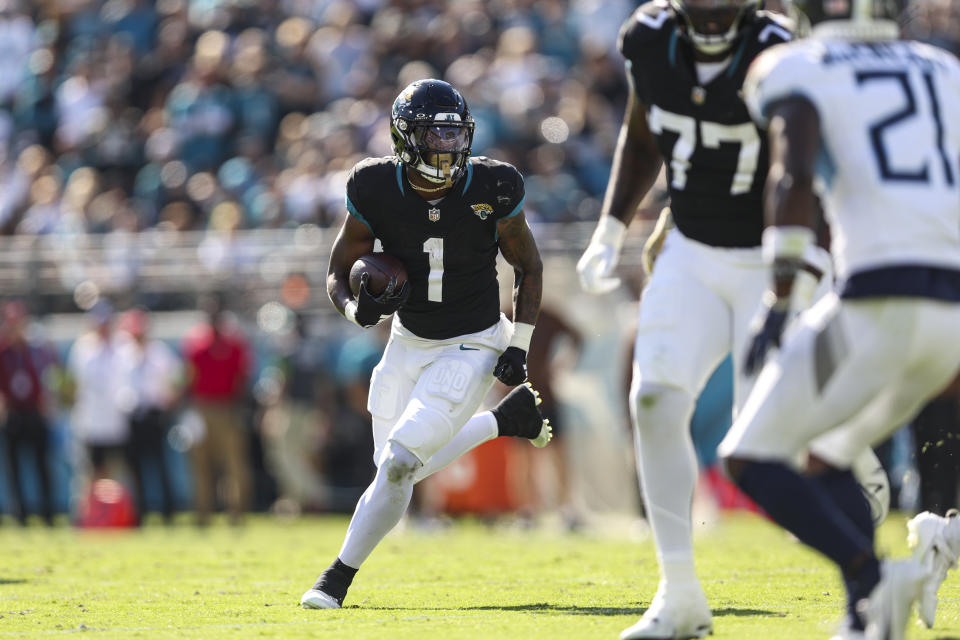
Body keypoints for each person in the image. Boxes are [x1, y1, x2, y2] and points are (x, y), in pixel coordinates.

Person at [576, 1, 890, 637]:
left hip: (772, 256)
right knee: (656, 400)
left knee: (777, 441)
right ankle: (680, 593)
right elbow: (644, 132)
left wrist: (815, 259)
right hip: (692, 250)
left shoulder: (780, 48)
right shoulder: (650, 37)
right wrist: (611, 226)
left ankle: (855, 500)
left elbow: (807, 165)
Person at [717, 0, 960, 636]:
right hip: (952, 305)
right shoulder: (941, 65)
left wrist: (779, 294)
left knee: (748, 457)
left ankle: (876, 578)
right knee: (828, 455)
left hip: (880, 296)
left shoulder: (795, 64)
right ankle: (866, 609)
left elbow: (793, 173)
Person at [300, 79, 551, 610]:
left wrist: (518, 345)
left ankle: (335, 580)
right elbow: (336, 271)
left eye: (456, 134)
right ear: (405, 137)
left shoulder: (493, 185)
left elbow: (528, 265)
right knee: (392, 470)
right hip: (407, 340)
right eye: (436, 133)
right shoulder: (372, 186)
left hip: (474, 341)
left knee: (398, 465)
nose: (449, 146)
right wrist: (355, 309)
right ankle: (505, 422)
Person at [182, 293, 252, 526]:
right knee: (201, 464)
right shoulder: (196, 341)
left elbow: (242, 377)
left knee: (233, 464)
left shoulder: (232, 341)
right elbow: (189, 377)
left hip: (226, 407)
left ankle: (236, 513)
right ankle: (203, 513)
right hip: (202, 407)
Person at [115, 308, 183, 524]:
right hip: (132, 415)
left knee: (160, 465)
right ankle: (140, 512)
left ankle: (168, 512)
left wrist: (171, 399)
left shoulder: (159, 352)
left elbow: (177, 379)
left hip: (154, 414)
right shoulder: (123, 353)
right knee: (134, 468)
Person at [0, 301, 58, 526]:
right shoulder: (3, 353)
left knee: (42, 464)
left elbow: (49, 375)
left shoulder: (36, 350)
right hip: (13, 413)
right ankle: (20, 514)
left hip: (35, 411)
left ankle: (48, 512)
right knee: (14, 468)